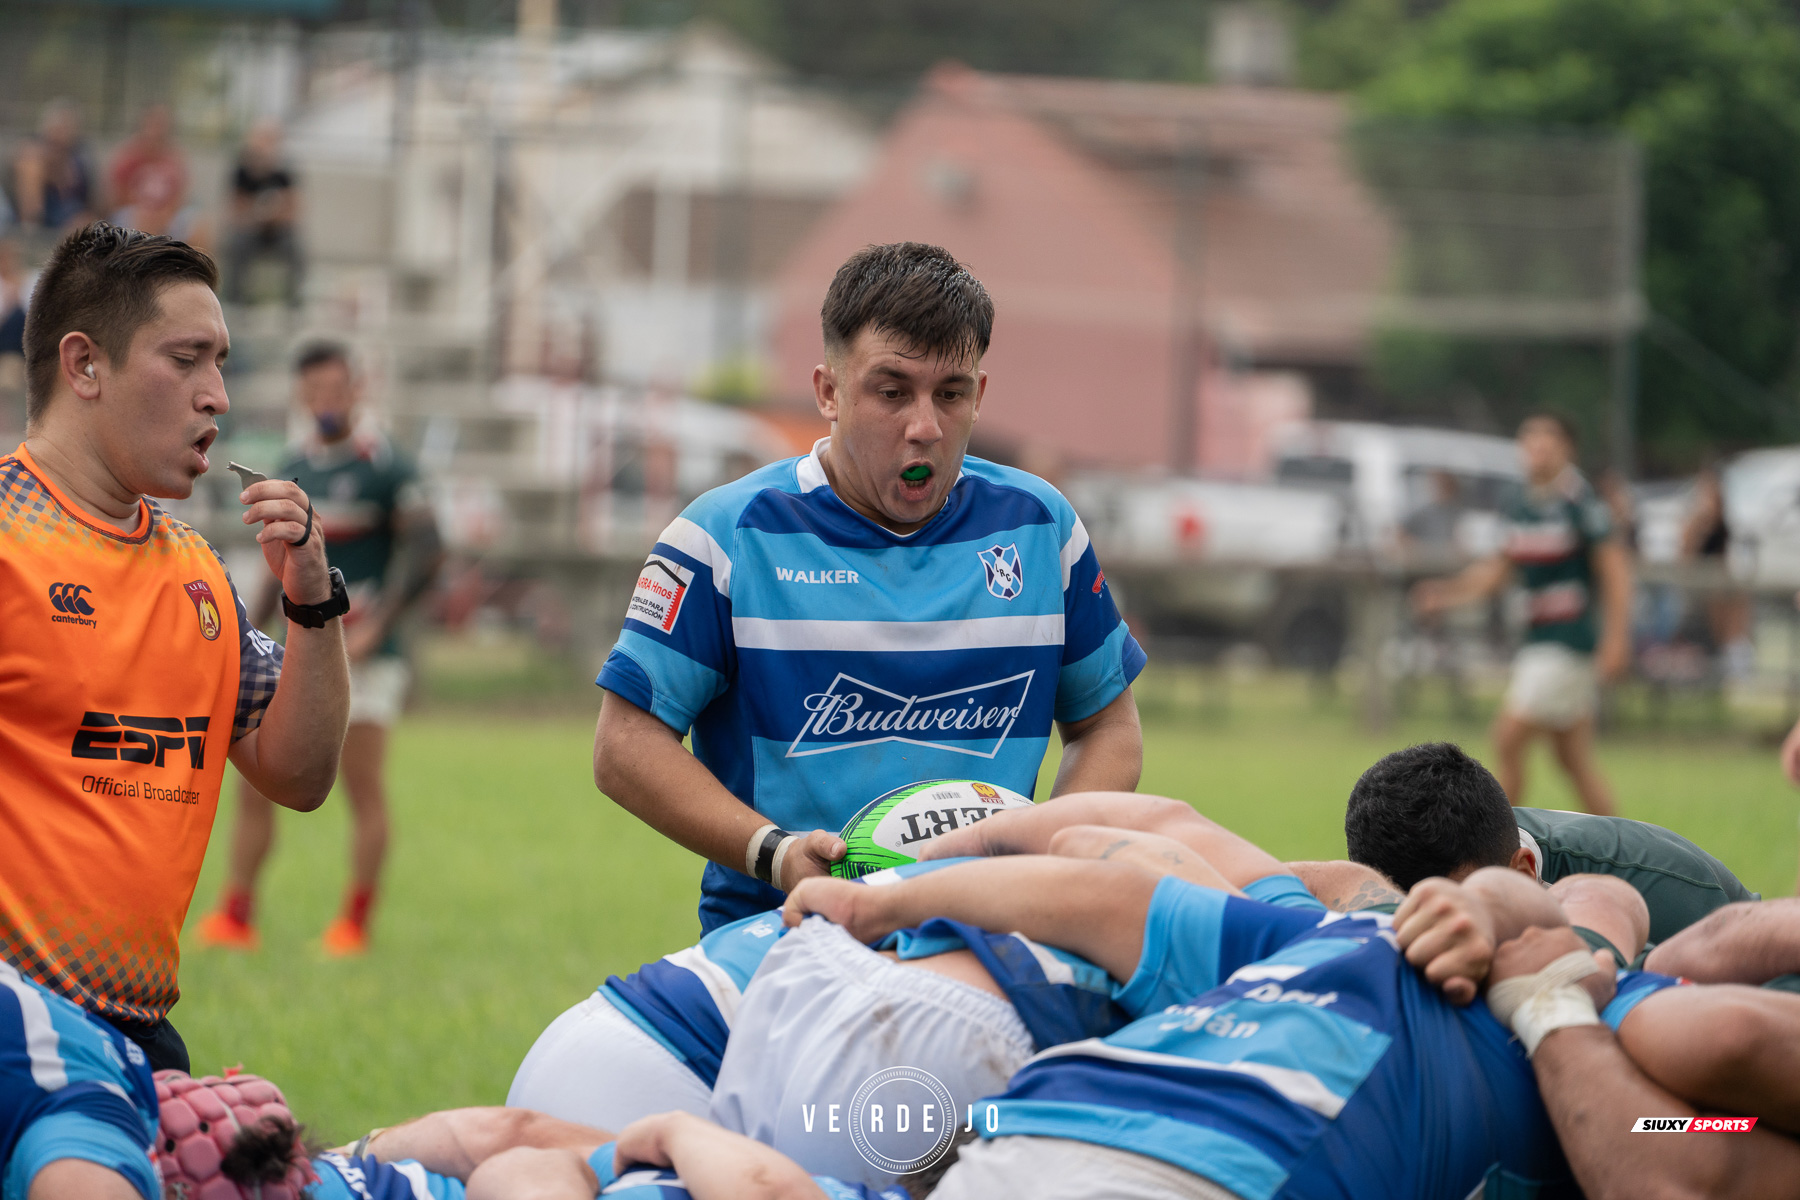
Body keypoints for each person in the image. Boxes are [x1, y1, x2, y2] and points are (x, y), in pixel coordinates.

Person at [593, 242, 1146, 931]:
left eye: (952, 394)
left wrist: (1048, 856)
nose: (925, 427)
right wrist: (777, 852)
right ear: (828, 391)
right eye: (891, 393)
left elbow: (1109, 729)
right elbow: (623, 746)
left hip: (985, 940)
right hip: (783, 938)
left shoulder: (1041, 529)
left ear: (981, 395)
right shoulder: (725, 538)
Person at [3, 223, 349, 1071]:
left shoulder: (195, 570)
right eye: (187, 358)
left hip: (140, 1032)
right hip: (18, 1035)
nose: (218, 396)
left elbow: (298, 776)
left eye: (221, 362)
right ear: (85, 365)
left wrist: (312, 600)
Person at [200, 340, 441, 956]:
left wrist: (379, 627)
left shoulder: (388, 466)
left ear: (356, 389)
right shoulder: (291, 464)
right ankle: (236, 914)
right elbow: (272, 566)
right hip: (300, 646)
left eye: (337, 389)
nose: (326, 401)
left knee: (359, 783)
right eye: (316, 391)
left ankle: (355, 922)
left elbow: (428, 551)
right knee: (254, 777)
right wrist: (244, 633)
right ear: (303, 395)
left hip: (365, 648)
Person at [1412, 413, 1632, 815]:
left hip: (1568, 643)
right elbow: (1498, 570)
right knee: (1572, 760)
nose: (1538, 448)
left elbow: (1616, 571)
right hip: (1538, 641)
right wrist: (1447, 593)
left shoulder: (1581, 504)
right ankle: (1621, 851)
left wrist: (1617, 638)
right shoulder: (1519, 505)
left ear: (1568, 449)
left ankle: (1495, 846)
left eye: (1548, 439)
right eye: (1530, 440)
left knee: (1508, 737)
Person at [1340, 742, 1756, 946]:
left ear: (1524, 871)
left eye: (1464, 904)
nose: (1449, 928)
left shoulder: (1663, 899)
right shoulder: (1477, 844)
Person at [221, 120, 304, 309]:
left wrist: (272, 216)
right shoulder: (242, 173)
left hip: (276, 231)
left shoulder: (284, 174)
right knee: (238, 243)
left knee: (294, 246)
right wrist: (258, 215)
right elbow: (235, 211)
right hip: (250, 229)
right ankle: (236, 301)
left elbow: (293, 210)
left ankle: (294, 302)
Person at [106, 104, 196, 243]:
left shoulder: (174, 157)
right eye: (153, 124)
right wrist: (146, 210)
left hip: (167, 213)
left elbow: (179, 195)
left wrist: (165, 213)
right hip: (134, 211)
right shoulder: (128, 155)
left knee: (200, 227)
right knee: (143, 220)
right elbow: (118, 196)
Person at [9, 100, 94, 235]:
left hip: (73, 215)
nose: (62, 134)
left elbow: (91, 202)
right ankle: (31, 233)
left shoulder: (80, 159)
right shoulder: (32, 154)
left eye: (67, 128)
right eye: (58, 128)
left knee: (85, 224)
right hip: (43, 215)